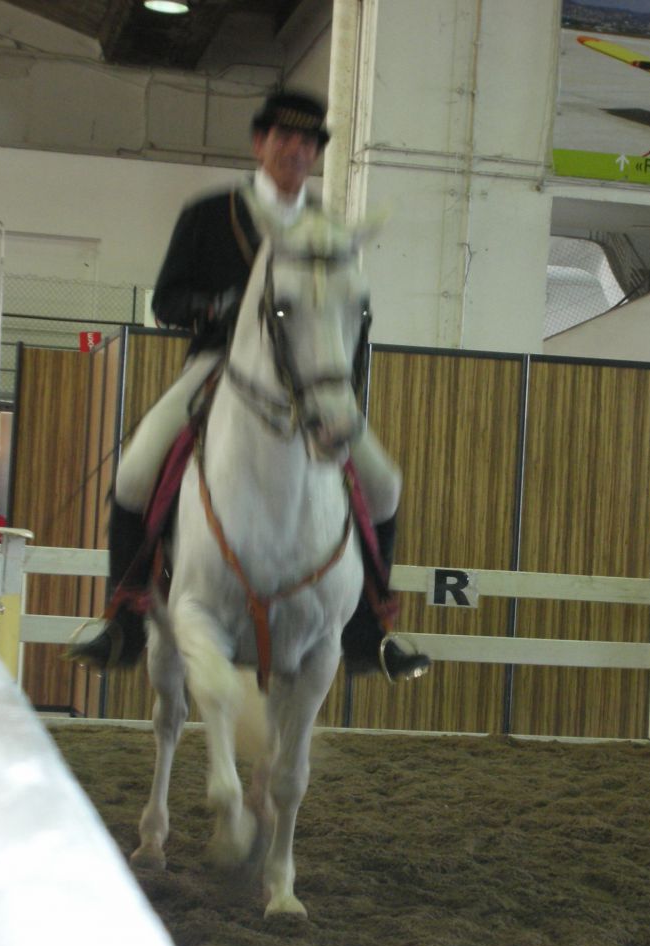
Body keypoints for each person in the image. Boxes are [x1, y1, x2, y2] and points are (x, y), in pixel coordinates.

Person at [71, 89, 428, 681]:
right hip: (220, 367)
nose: (297, 150)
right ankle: (123, 619)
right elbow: (167, 301)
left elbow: (348, 313)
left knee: (385, 484)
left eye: (308, 142)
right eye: (285, 138)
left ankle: (371, 629)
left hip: (307, 383)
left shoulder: (326, 228)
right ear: (260, 143)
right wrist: (219, 305)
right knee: (134, 472)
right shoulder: (210, 214)